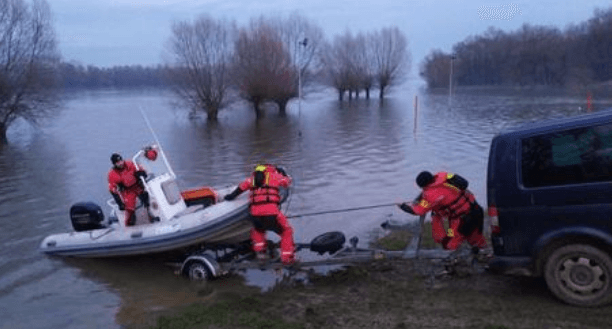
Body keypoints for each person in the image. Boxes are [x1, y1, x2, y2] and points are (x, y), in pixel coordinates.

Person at [397, 171, 488, 254]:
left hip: (462, 219)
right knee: (475, 237)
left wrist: (402, 206)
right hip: (475, 208)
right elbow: (461, 184)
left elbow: (418, 210)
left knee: (450, 242)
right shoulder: (442, 175)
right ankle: (484, 252)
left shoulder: (431, 195)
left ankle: (452, 259)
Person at [223, 164, 295, 265]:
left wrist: (230, 197)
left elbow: (240, 188)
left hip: (255, 215)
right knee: (286, 231)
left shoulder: (252, 179)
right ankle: (287, 258)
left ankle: (260, 254)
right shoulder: (275, 176)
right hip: (272, 214)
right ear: (271, 169)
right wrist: (283, 173)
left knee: (258, 230)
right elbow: (287, 182)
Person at [108, 153, 155, 226]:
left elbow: (140, 169)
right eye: (118, 162)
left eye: (121, 160)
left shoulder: (129, 164)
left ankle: (151, 215)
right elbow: (112, 188)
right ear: (114, 164)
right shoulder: (112, 174)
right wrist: (119, 203)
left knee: (146, 197)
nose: (121, 163)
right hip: (127, 191)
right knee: (130, 208)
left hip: (137, 186)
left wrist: (142, 173)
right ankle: (130, 225)